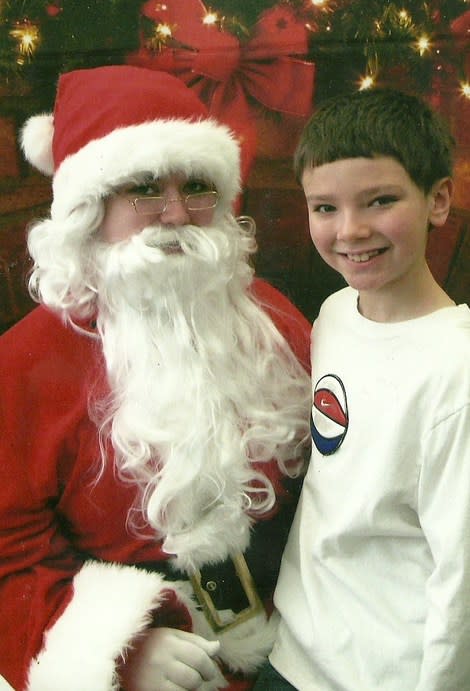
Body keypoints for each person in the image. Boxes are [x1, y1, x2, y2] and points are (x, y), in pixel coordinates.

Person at [0, 65, 312, 691]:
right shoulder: (25, 361)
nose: (175, 214)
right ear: (89, 209)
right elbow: (8, 555)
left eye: (197, 186)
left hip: (302, 633)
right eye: (144, 188)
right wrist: (119, 649)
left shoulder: (274, 319)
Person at [254, 88, 470, 690]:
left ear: (438, 200)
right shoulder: (335, 314)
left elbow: (463, 577)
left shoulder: (457, 372)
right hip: (292, 650)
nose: (350, 230)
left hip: (385, 674)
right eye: (324, 207)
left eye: (379, 200)